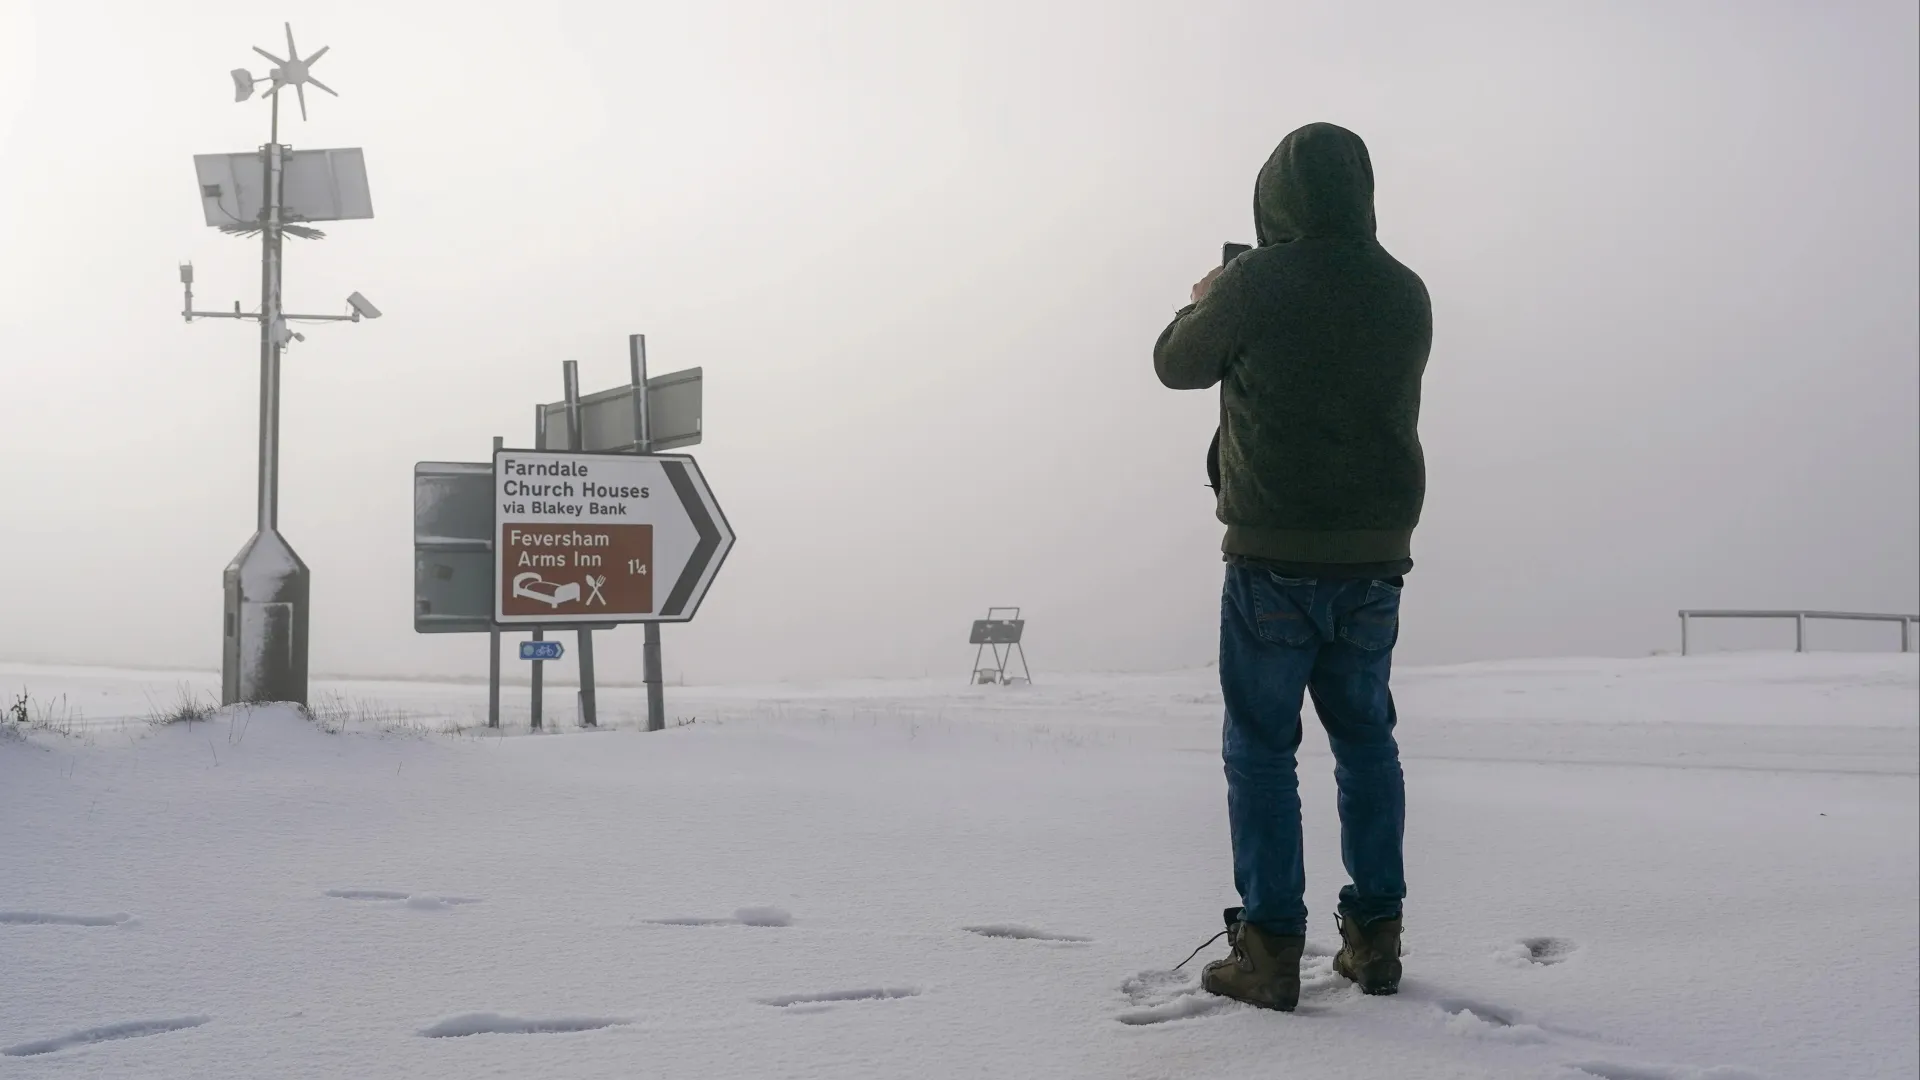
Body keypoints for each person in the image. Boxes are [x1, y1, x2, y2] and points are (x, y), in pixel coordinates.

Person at [1152, 122, 1432, 1012]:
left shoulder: (1253, 282)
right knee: (1367, 745)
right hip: (1378, 555)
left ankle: (1270, 951)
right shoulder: (1405, 290)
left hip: (1273, 553)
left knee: (1264, 753)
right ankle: (1375, 941)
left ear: (1274, 197)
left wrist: (1207, 297)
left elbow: (1174, 366)